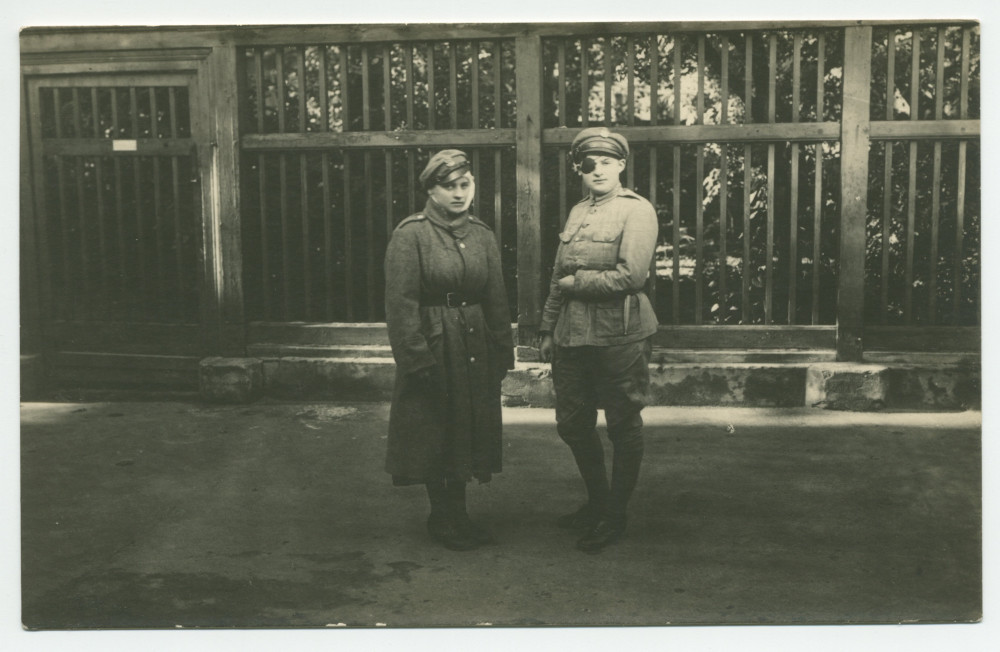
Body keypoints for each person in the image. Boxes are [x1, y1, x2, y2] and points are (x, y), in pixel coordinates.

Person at [384, 149, 515, 551]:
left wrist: (502, 350)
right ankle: (441, 516)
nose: (459, 194)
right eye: (448, 186)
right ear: (431, 190)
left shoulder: (482, 234)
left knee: (466, 426)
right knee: (434, 426)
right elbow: (401, 304)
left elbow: (496, 297)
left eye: (465, 184)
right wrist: (415, 357)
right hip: (435, 341)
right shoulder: (411, 234)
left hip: (474, 341)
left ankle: (459, 514)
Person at [538, 127, 659, 553]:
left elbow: (632, 276)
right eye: (590, 164)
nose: (599, 170)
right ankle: (598, 502)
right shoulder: (578, 212)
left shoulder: (636, 210)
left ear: (622, 165)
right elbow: (559, 275)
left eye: (608, 162)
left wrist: (579, 283)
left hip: (619, 334)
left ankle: (615, 514)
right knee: (573, 423)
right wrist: (547, 327)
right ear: (579, 169)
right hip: (572, 336)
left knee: (622, 424)